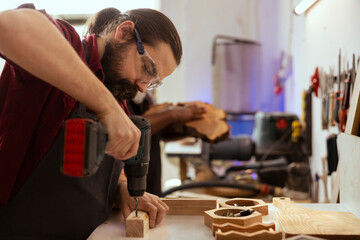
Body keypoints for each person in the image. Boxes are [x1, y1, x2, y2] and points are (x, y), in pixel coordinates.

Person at [0, 4, 182, 239]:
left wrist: (122, 187)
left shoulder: (117, 96)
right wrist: (106, 107)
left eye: (153, 82)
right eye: (147, 68)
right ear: (124, 32)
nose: (142, 87)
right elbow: (9, 26)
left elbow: (95, 172)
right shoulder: (70, 49)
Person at [127, 91, 207, 196]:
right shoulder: (122, 90)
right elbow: (131, 130)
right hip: (128, 171)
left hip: (150, 169)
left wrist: (193, 129)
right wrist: (172, 114)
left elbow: (156, 133)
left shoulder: (144, 94)